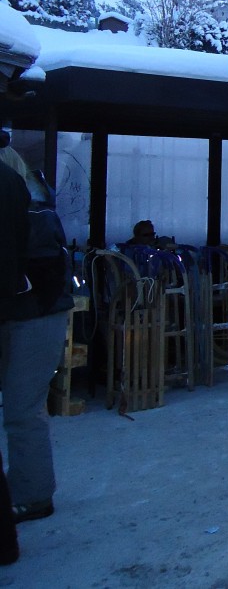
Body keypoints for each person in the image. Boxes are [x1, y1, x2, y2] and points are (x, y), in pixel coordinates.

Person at [0, 164, 72, 527]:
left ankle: (32, 495)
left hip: (35, 314)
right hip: (29, 310)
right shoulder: (19, 189)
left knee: (22, 407)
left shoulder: (13, 190)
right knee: (21, 407)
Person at [0, 157, 24, 562]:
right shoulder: (13, 181)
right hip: (13, 304)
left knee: (22, 410)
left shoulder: (8, 181)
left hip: (17, 308)